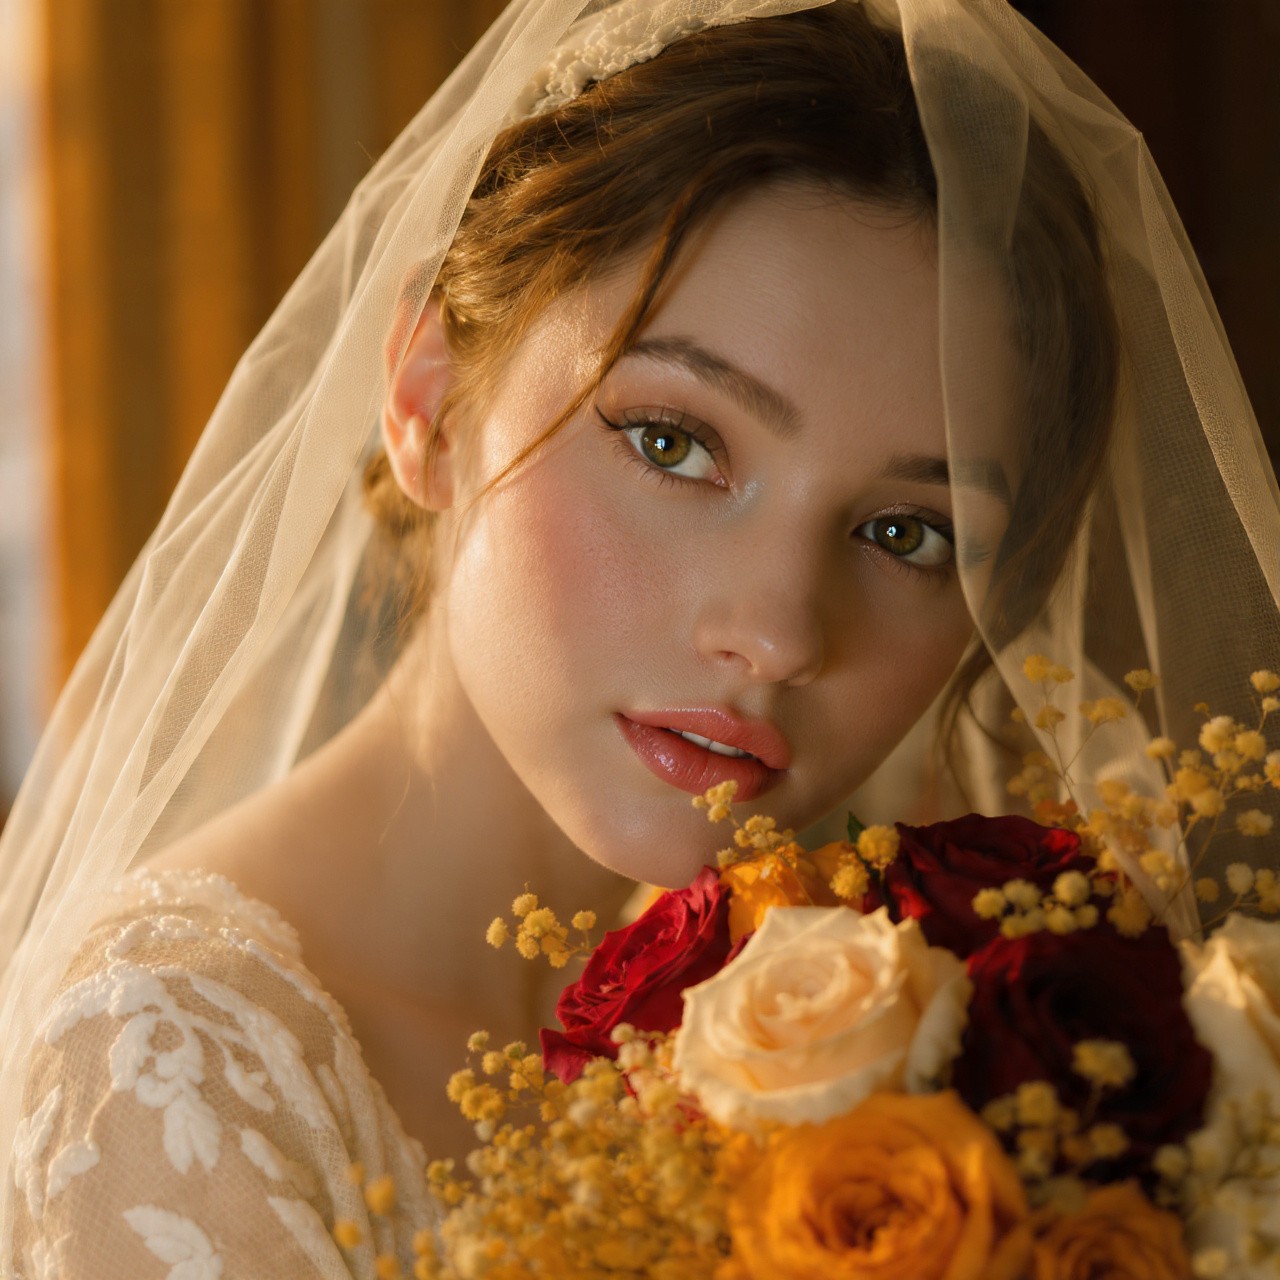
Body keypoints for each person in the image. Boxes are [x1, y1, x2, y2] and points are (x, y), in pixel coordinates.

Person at [3, 0, 1278, 1275]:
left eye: (906, 533)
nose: (777, 632)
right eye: (673, 442)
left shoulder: (929, 1038)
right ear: (429, 398)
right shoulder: (160, 1066)